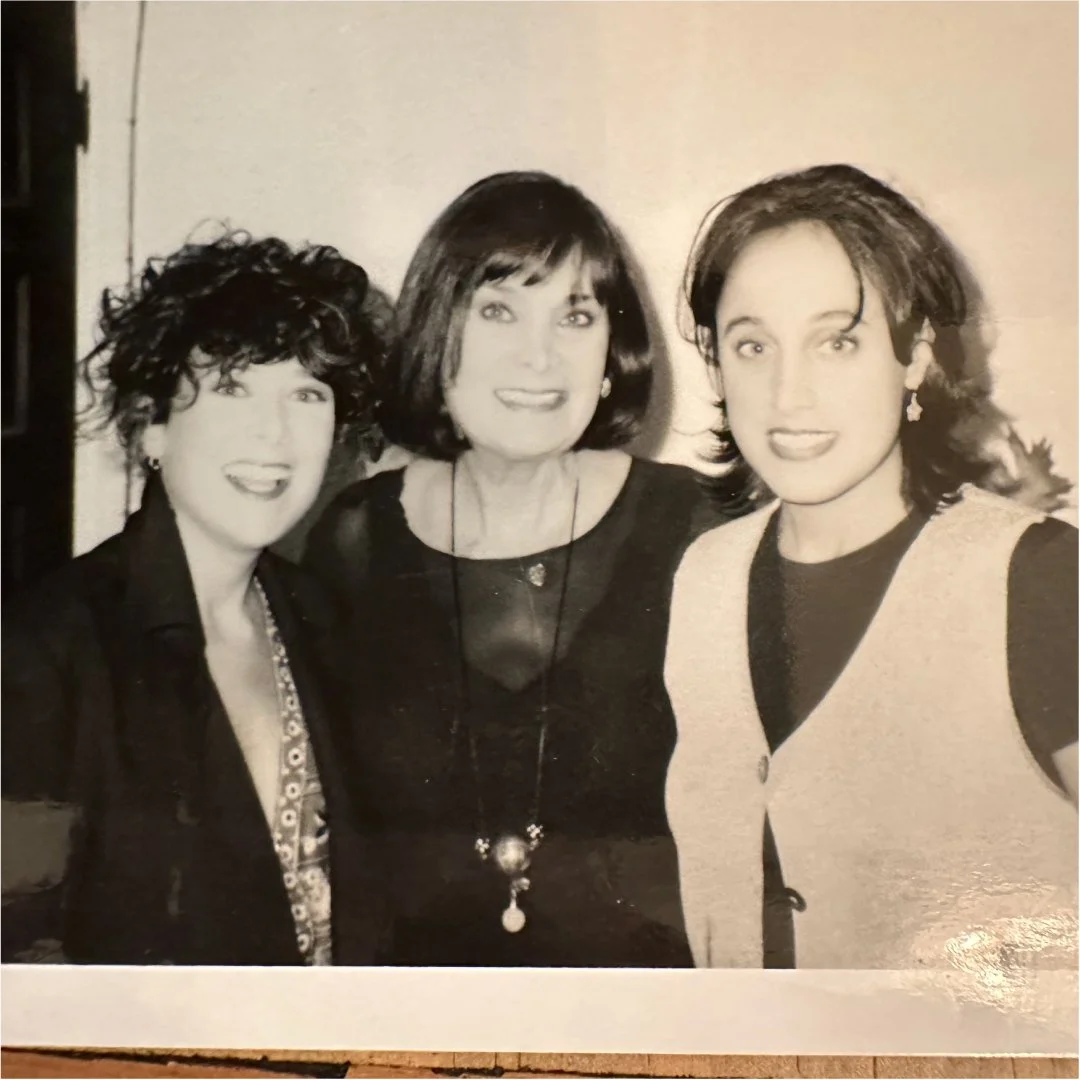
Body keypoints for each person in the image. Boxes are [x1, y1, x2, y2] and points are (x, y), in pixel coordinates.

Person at [665, 164, 1078, 971]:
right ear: (715, 365)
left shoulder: (1035, 579)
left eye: (838, 341)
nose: (790, 395)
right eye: (753, 345)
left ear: (914, 356)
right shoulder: (702, 581)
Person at [304, 171, 723, 967]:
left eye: (575, 315)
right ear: (438, 337)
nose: (538, 357)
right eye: (498, 310)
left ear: (610, 355)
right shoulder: (352, 542)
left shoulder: (698, 529)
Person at [2, 231, 390, 965]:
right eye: (234, 385)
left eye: (307, 394)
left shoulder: (327, 620)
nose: (273, 434)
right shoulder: (39, 657)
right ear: (152, 423)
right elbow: (18, 965)